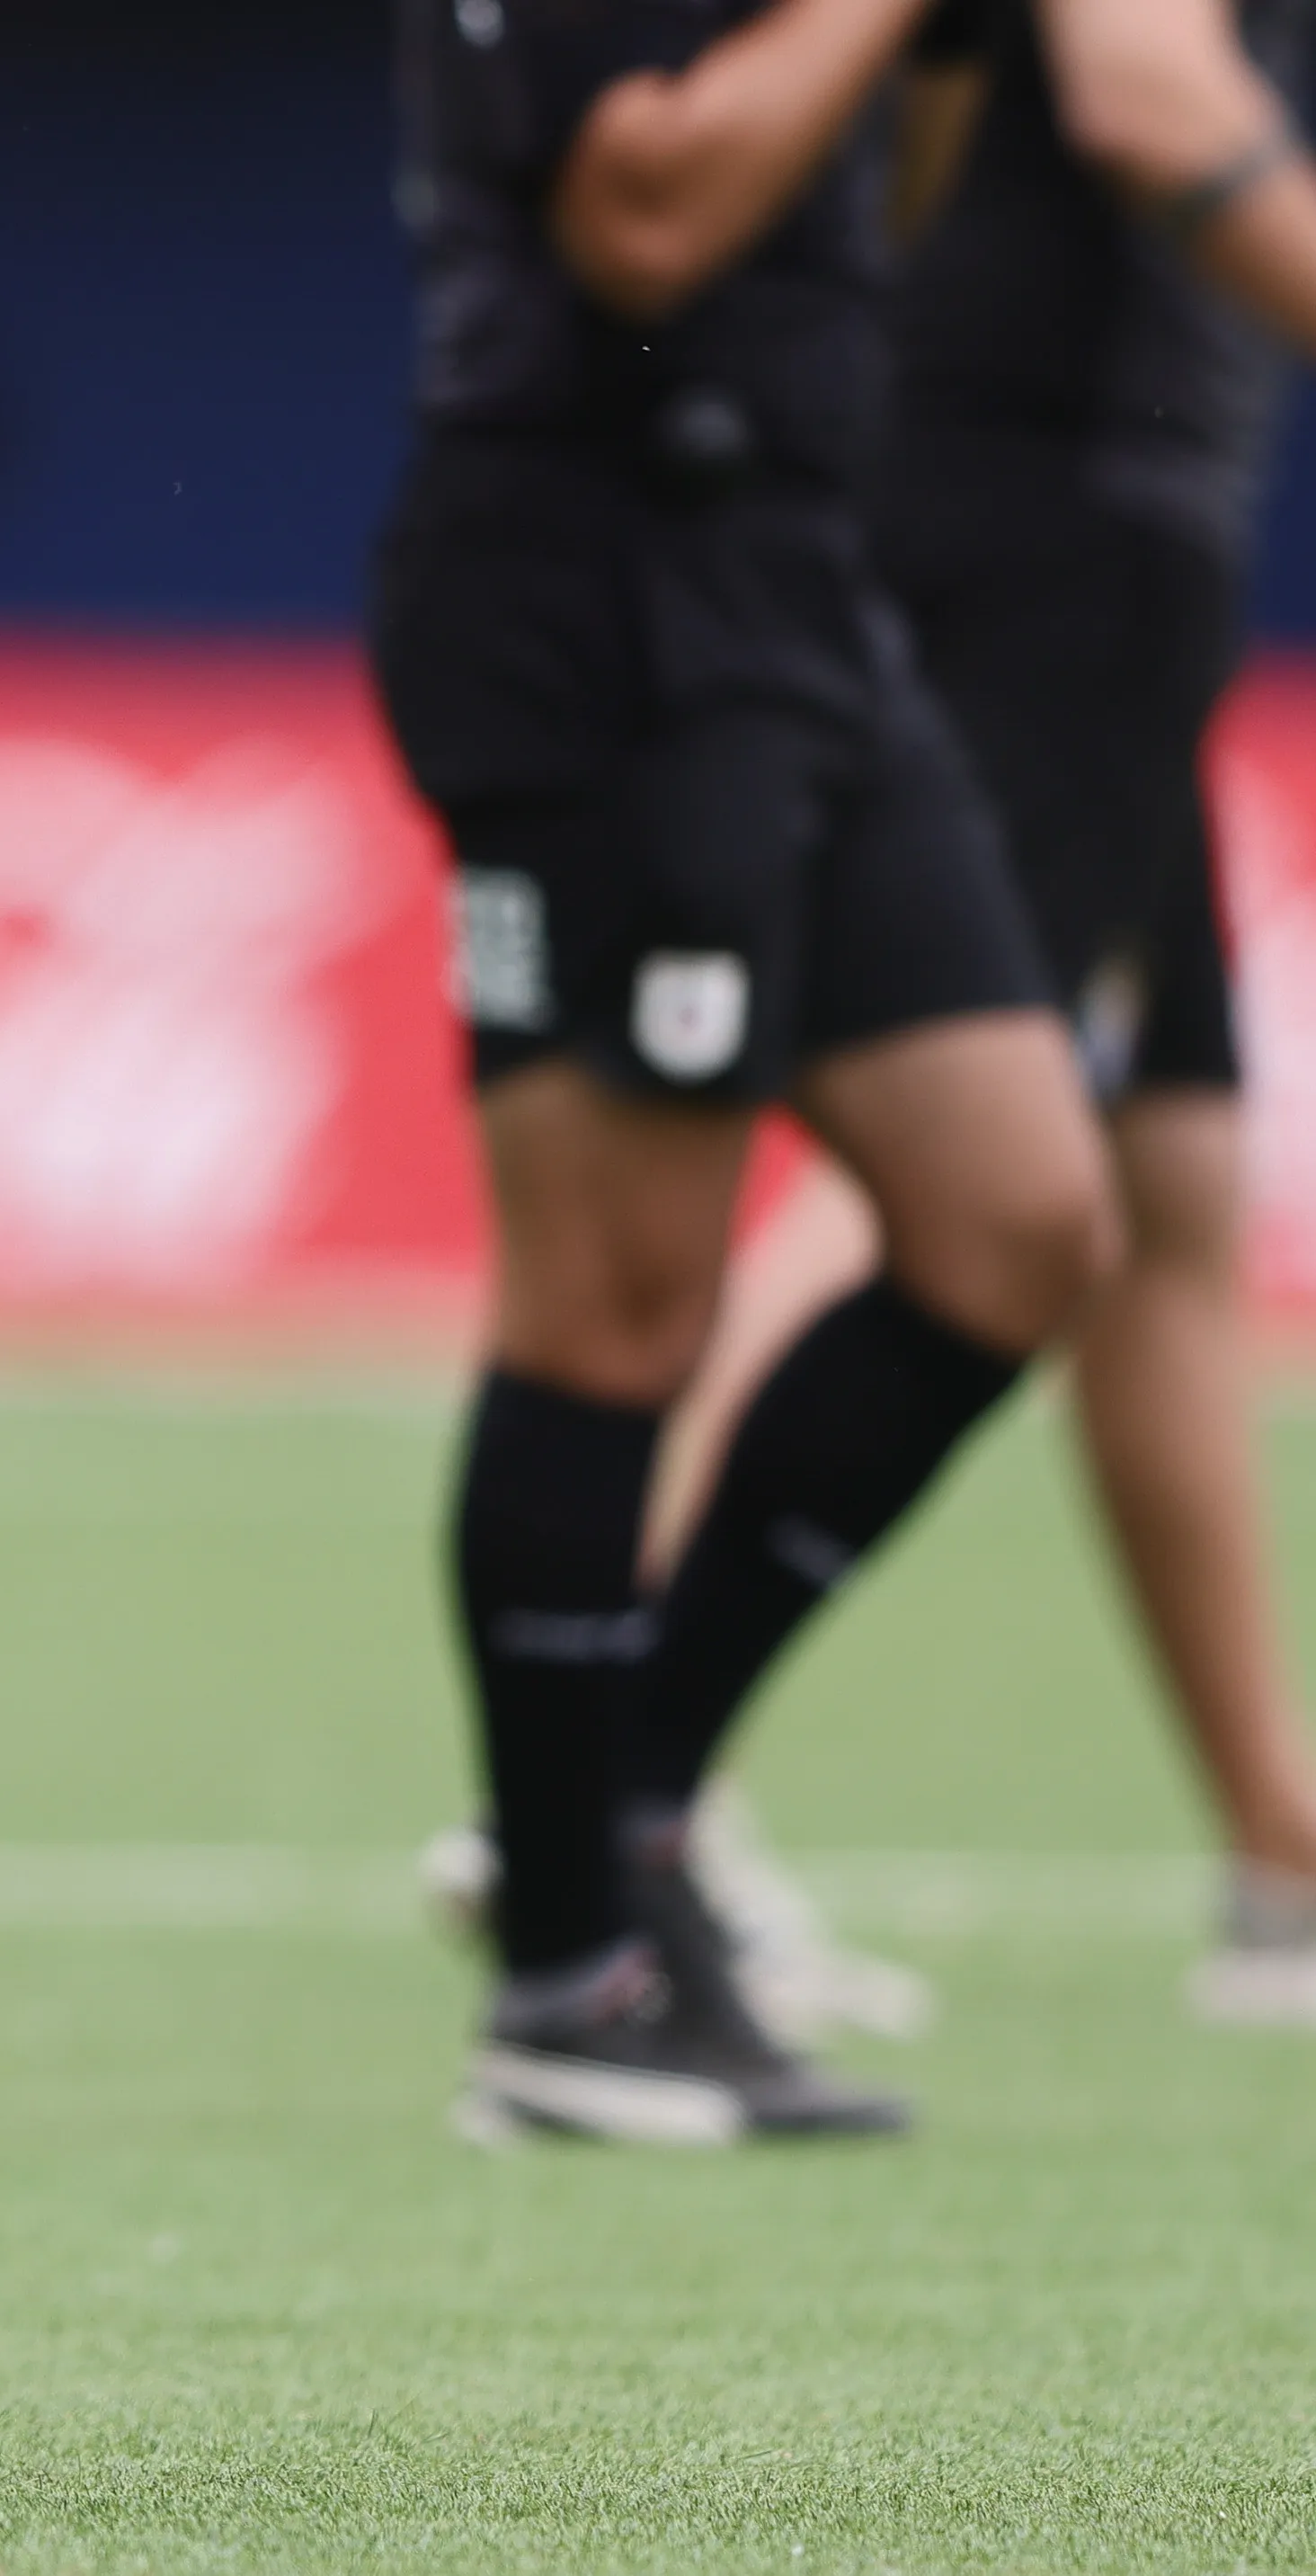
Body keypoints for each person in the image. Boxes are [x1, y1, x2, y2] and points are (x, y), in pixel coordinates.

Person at [373, 0, 1122, 2144]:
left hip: (790, 590)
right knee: (618, 1301)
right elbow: (643, 208)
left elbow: (873, 185)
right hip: (589, 608)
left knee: (1015, 1216)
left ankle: (620, 1818)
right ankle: (559, 1986)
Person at [627, 0, 1316, 2028]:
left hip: (1082, 524)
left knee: (1165, 1185)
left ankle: (1282, 1847)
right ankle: (625, 1791)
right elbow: (1143, 84)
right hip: (1058, 528)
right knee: (960, 1166)